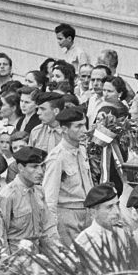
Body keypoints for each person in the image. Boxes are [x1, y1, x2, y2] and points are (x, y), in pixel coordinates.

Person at [43, 104, 94, 246]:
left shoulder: (82, 149)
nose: (84, 130)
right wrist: (52, 232)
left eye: (84, 125)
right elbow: (49, 198)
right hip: (67, 215)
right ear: (64, 129)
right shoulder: (57, 157)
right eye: (78, 126)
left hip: (87, 213)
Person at [0, 146, 59, 253]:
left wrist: (56, 252)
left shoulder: (39, 191)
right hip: (16, 258)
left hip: (37, 255)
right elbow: (1, 234)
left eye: (42, 166)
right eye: (34, 167)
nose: (41, 172)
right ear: (21, 168)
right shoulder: (8, 195)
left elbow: (48, 226)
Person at [73, 182, 131, 261]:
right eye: (109, 207)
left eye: (117, 204)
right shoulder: (85, 242)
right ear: (93, 213)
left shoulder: (122, 232)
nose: (117, 211)